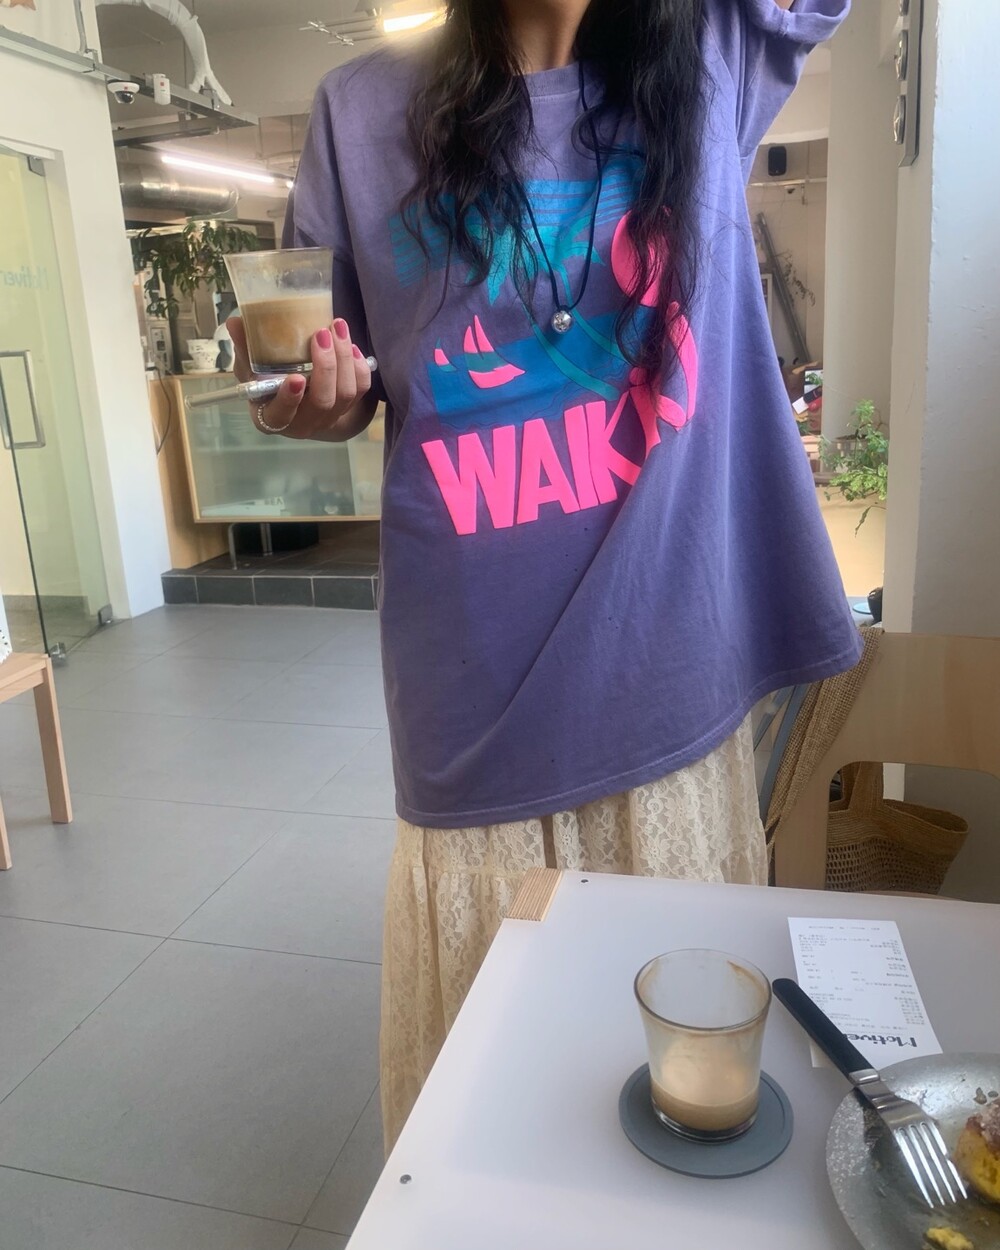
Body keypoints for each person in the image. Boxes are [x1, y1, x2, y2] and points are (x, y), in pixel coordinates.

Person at [229, 0, 858, 1149]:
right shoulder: (359, 113)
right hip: (478, 697)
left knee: (686, 1109)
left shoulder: (711, 51)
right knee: (492, 1126)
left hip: (668, 678)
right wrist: (302, 403)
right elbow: (330, 377)